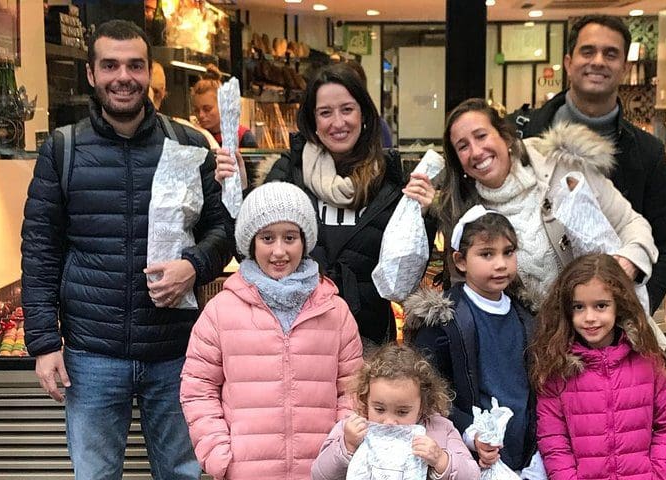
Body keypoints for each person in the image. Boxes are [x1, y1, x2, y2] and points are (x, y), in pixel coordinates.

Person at [20, 20, 231, 479]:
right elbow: (40, 251)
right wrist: (43, 342)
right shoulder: (64, 148)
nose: (123, 76)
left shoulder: (190, 145)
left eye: (135, 65)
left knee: (183, 472)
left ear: (149, 72)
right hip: (90, 355)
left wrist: (194, 266)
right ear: (92, 75)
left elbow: (223, 230)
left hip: (176, 351)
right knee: (95, 475)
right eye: (110, 65)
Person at [215, 62, 436, 347]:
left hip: (366, 344)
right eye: (325, 112)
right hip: (291, 341)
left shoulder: (390, 184)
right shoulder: (287, 175)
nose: (338, 122)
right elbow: (250, 254)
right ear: (312, 121)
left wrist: (425, 218)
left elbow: (406, 275)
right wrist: (239, 193)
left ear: (364, 114)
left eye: (347, 109)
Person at [180, 182, 363, 480]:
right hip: (245, 470)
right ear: (252, 243)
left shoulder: (334, 311)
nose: (279, 251)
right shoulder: (221, 311)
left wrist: (341, 446)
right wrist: (217, 452)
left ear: (304, 241)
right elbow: (197, 387)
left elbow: (353, 389)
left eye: (289, 237)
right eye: (267, 238)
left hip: (320, 470)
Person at [508, 15, 666, 314]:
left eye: (610, 54)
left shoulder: (647, 153)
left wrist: (633, 312)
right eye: (588, 51)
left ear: (625, 68)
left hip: (607, 325)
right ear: (568, 62)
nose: (598, 61)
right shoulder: (519, 134)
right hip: (525, 317)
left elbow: (665, 243)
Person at [436, 98, 657, 311]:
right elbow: (466, 294)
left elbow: (630, 223)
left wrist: (630, 261)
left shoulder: (563, 165)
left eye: (481, 136)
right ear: (458, 162)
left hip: (602, 331)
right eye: (463, 146)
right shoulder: (464, 215)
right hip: (532, 344)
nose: (476, 151)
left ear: (504, 135)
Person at [404, 208, 538, 473]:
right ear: (461, 261)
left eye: (508, 252)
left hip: (525, 455)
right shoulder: (445, 322)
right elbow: (429, 393)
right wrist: (470, 433)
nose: (500, 264)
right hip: (469, 458)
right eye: (487, 254)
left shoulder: (528, 317)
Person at [530, 253, 666, 479]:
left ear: (618, 305)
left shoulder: (648, 361)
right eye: (579, 307)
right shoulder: (558, 368)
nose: (590, 317)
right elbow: (553, 439)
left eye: (600, 306)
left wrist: (659, 475)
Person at [311, 343, 479, 480]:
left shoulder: (440, 429)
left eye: (402, 412)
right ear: (365, 399)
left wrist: (441, 460)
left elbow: (473, 475)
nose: (389, 421)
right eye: (379, 409)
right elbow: (319, 474)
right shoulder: (353, 428)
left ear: (422, 406)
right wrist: (346, 445)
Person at [191, 64, 258, 148]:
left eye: (207, 109)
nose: (201, 115)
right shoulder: (194, 137)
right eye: (196, 110)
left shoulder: (243, 137)